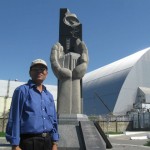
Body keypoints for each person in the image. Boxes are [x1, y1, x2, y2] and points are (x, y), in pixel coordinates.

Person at [6, 59, 59, 150]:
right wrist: (15, 145)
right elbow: (15, 117)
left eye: (42, 69)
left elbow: (53, 119)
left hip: (48, 142)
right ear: (30, 73)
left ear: (46, 73)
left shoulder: (49, 95)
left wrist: (54, 143)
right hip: (29, 142)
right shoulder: (22, 91)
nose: (39, 71)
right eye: (35, 69)